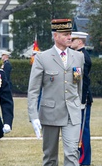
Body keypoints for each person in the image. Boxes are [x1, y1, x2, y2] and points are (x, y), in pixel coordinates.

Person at [27, 19, 84, 166]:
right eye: (65, 34)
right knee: (50, 157)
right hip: (50, 113)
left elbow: (78, 85)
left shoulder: (78, 57)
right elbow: (33, 90)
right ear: (55, 36)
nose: (69, 37)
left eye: (70, 34)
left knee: (72, 153)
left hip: (72, 112)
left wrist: (78, 104)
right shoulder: (42, 57)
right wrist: (33, 116)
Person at [70, 31, 93, 166]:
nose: (70, 42)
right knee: (78, 131)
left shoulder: (83, 57)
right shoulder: (78, 56)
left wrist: (81, 100)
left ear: (80, 42)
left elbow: (81, 81)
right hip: (78, 99)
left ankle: (84, 160)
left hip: (82, 99)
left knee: (83, 131)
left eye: (73, 40)